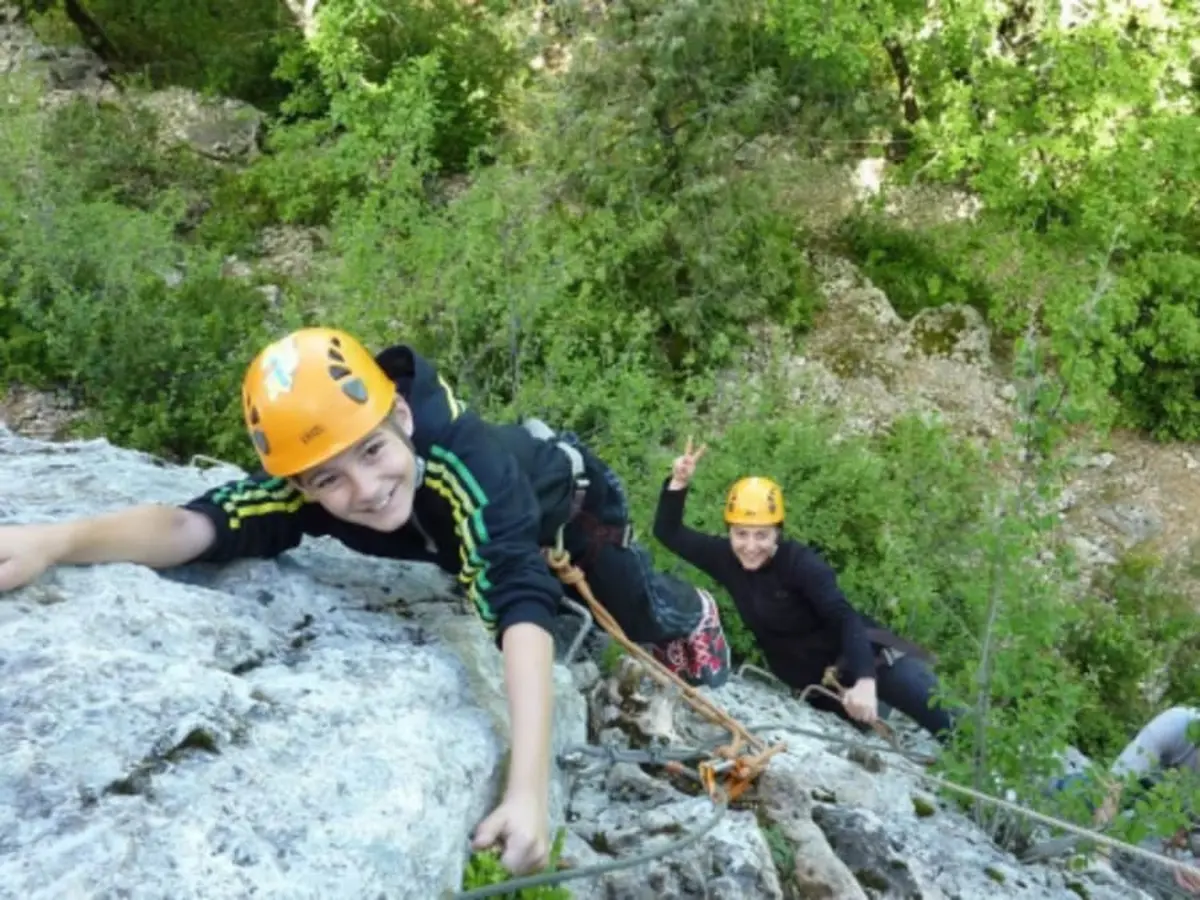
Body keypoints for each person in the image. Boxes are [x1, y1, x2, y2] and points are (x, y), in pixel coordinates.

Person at [0, 327, 731, 877]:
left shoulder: (465, 465)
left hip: (570, 505)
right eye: (328, 481)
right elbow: (195, 525)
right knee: (549, 609)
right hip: (471, 535)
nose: (361, 490)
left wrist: (529, 789)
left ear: (404, 418)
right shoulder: (321, 477)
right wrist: (57, 541)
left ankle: (692, 614)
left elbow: (517, 605)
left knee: (634, 615)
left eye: (372, 453)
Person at [651, 436, 958, 742]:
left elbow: (845, 616)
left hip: (876, 661)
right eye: (741, 534)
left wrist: (866, 680)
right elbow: (668, 532)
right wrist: (678, 481)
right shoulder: (725, 559)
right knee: (873, 751)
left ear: (777, 533)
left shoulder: (801, 564)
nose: (750, 546)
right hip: (825, 689)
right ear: (729, 531)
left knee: (957, 733)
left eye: (762, 536)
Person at [1050, 706, 1200, 895]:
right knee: (1083, 797)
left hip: (1182, 809)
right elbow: (1114, 783)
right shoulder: (1175, 724)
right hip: (1146, 785)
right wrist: (1100, 856)